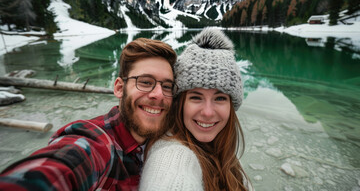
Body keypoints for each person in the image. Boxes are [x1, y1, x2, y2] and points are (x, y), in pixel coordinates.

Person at [0, 38, 178, 190]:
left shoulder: (169, 137)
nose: (159, 94)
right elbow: (61, 167)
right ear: (119, 88)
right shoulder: (98, 142)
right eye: (145, 82)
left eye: (167, 86)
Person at [139, 28, 252, 191]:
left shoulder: (225, 154)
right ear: (180, 103)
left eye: (220, 98)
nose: (207, 112)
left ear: (231, 105)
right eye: (196, 97)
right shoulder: (171, 155)